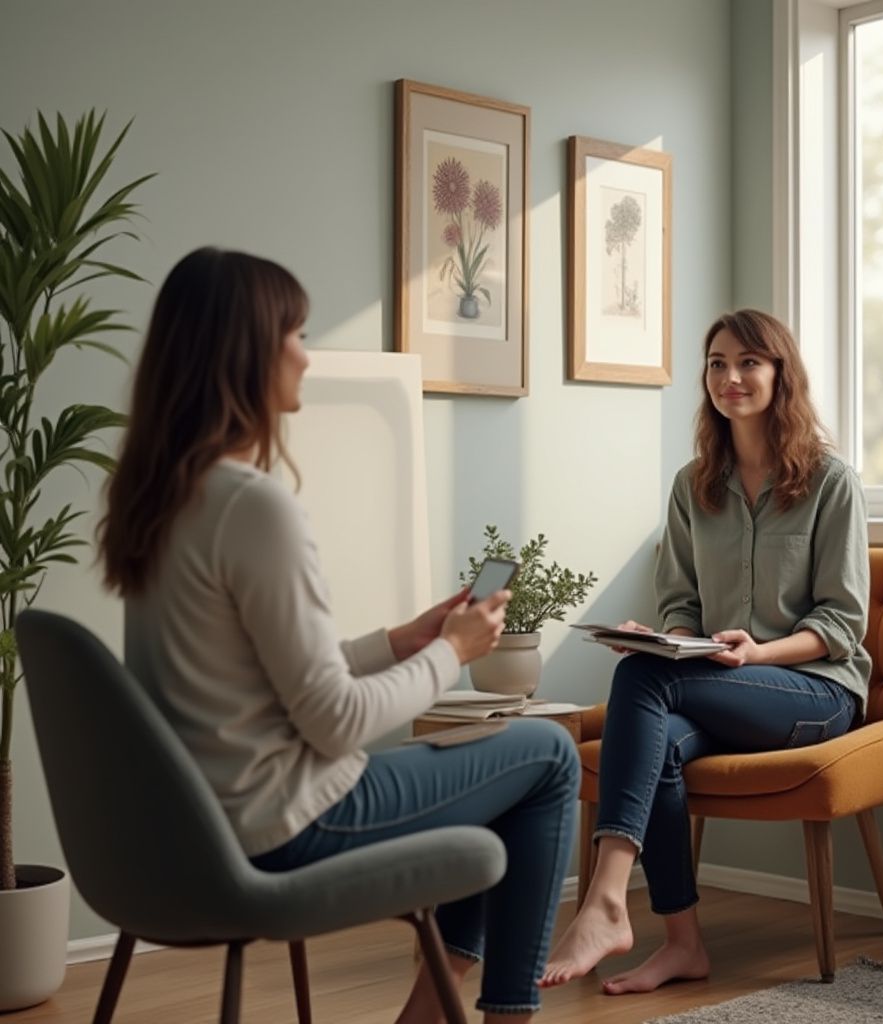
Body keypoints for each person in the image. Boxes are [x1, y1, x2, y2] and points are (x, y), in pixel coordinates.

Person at [97, 247, 580, 1023]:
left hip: (196, 827)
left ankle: (436, 999)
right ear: (245, 353)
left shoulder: (158, 501)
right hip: (287, 824)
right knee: (549, 756)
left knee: (500, 770)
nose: (305, 352)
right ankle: (496, 1012)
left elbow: (265, 678)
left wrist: (404, 639)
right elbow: (335, 721)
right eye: (295, 332)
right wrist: (452, 652)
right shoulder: (254, 507)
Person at [541, 308, 869, 995]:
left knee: (644, 681)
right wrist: (664, 638)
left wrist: (760, 653)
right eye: (717, 364)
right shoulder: (694, 486)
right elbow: (681, 606)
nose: (731, 377)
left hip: (815, 690)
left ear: (781, 373)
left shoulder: (831, 483)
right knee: (647, 689)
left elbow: (843, 623)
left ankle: (605, 900)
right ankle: (682, 944)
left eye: (749, 362)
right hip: (717, 684)